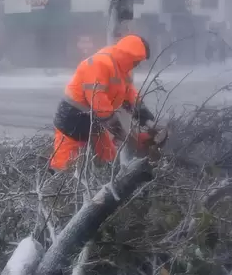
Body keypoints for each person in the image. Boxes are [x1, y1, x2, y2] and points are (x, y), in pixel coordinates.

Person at [50, 34, 156, 172]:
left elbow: (130, 94)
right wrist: (119, 130)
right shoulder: (100, 63)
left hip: (94, 118)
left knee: (107, 154)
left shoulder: (123, 70)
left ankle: (104, 180)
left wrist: (144, 115)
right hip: (73, 116)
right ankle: (57, 188)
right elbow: (98, 100)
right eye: (137, 60)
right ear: (128, 55)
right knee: (65, 160)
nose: (138, 65)